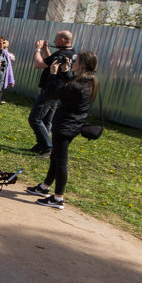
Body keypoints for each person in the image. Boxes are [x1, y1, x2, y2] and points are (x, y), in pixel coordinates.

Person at [26, 51, 98, 209]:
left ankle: (58, 198)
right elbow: (69, 87)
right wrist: (65, 72)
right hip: (73, 124)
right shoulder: (88, 80)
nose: (73, 62)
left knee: (61, 162)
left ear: (83, 64)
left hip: (66, 125)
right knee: (55, 157)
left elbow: (53, 94)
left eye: (76, 61)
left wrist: (53, 74)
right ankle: (45, 187)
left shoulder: (78, 84)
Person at [28, 31, 78, 157]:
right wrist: (46, 50)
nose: (53, 42)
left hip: (51, 90)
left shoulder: (62, 54)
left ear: (62, 40)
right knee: (46, 120)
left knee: (35, 118)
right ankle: (41, 144)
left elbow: (38, 64)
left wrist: (38, 50)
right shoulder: (71, 53)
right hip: (57, 91)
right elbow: (50, 62)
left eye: (56, 39)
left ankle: (47, 146)